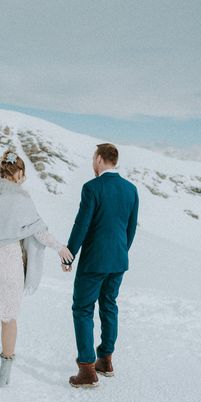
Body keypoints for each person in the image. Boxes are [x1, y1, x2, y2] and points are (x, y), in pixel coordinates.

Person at [0, 149, 74, 387]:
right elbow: (39, 232)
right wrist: (60, 248)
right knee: (9, 316)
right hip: (10, 260)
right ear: (19, 172)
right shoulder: (22, 199)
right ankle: (5, 373)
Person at [63, 143, 139, 388]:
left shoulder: (92, 188)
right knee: (109, 305)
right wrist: (119, 253)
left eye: (92, 158)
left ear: (98, 159)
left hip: (94, 260)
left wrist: (69, 254)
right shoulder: (131, 189)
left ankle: (86, 370)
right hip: (118, 260)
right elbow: (130, 228)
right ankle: (105, 360)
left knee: (83, 309)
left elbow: (82, 224)